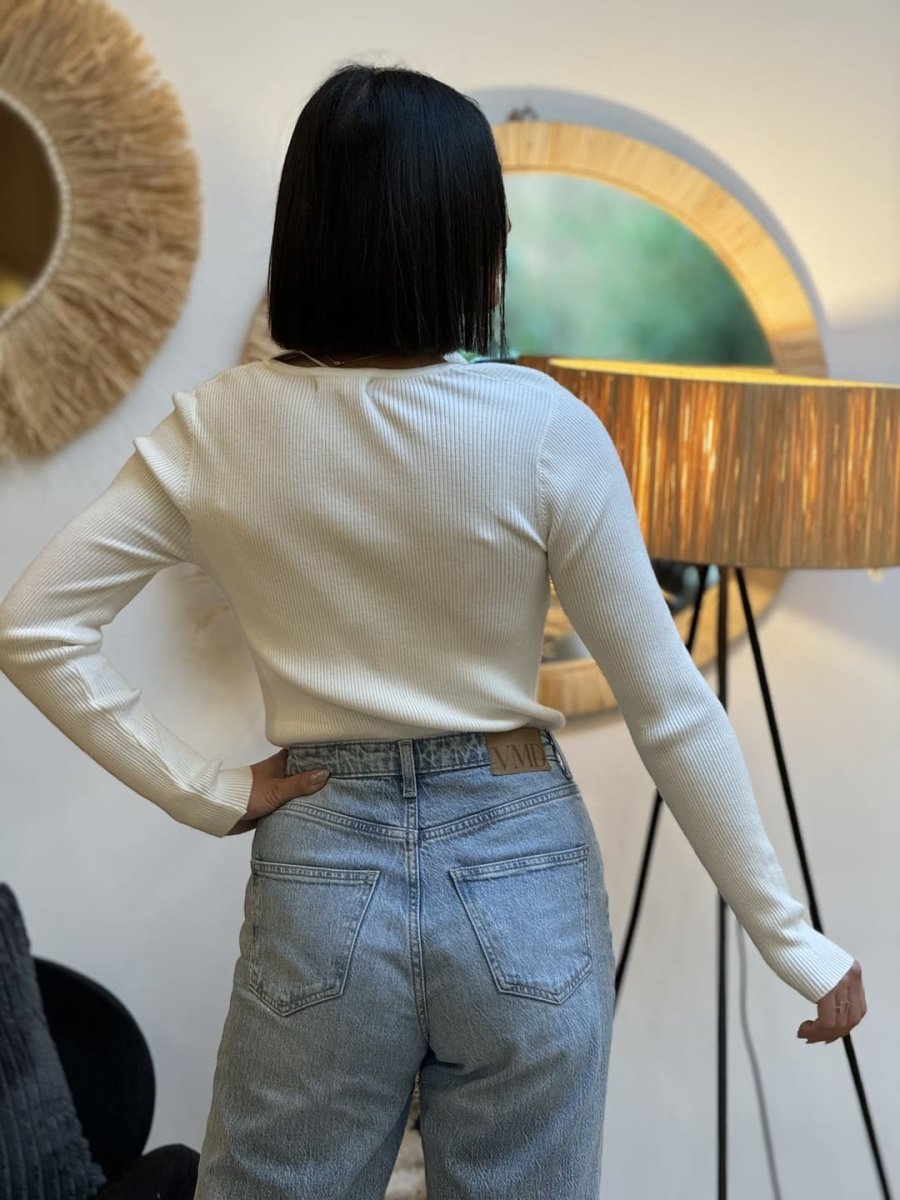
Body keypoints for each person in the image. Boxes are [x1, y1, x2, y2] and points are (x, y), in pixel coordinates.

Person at [0, 61, 866, 1200]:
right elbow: (670, 705)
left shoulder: (220, 427)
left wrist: (209, 791)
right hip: (521, 860)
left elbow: (35, 626)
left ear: (306, 235)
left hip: (323, 863)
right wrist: (796, 943)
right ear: (470, 247)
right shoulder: (546, 428)